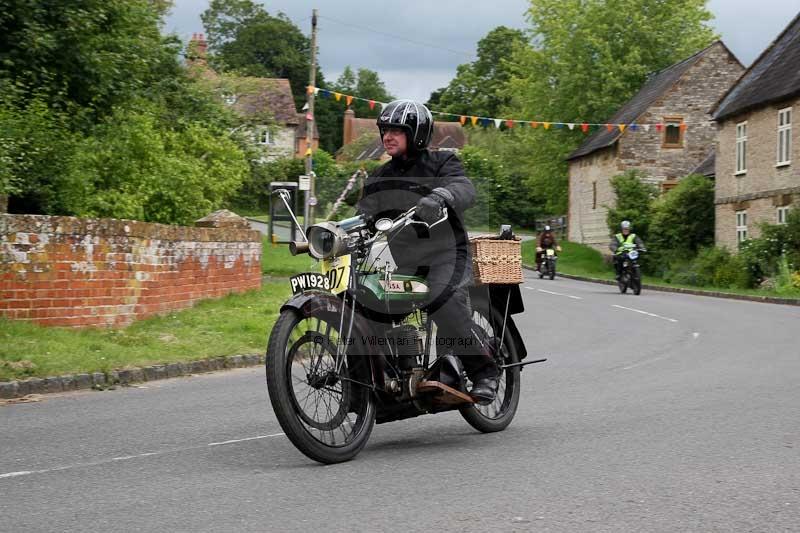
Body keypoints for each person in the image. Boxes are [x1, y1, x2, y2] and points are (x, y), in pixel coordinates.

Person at [356, 100, 498, 404]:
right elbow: (363, 216)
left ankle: (485, 371)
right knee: (363, 299)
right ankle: (377, 379)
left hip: (448, 255)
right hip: (403, 262)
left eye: (397, 130)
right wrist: (333, 232)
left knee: (441, 297)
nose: (388, 136)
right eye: (385, 130)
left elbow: (465, 187)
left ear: (417, 133)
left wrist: (442, 195)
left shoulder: (443, 162)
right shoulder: (379, 178)